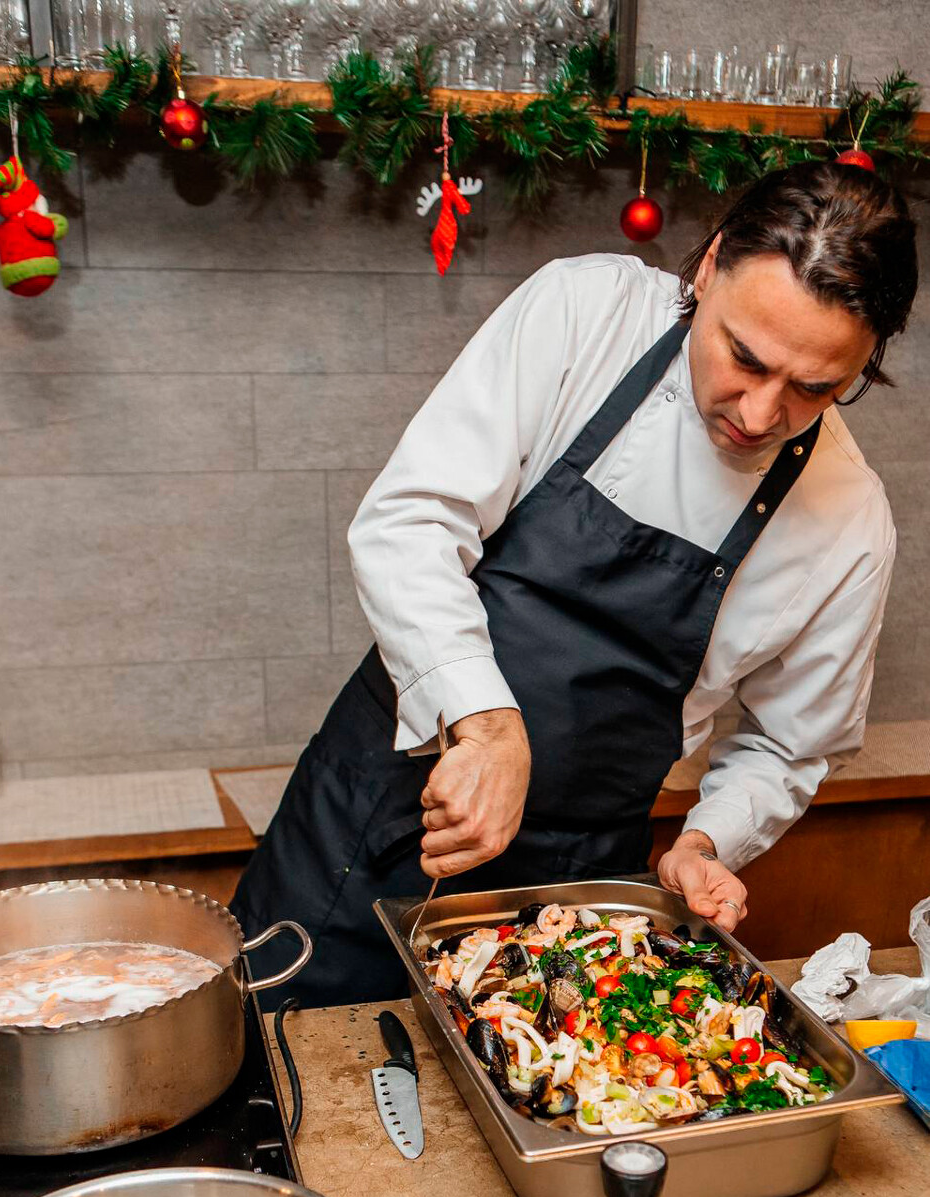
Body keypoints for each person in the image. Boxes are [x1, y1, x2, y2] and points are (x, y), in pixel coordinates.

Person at [231, 161, 918, 1008]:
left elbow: (790, 744)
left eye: (814, 388)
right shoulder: (581, 315)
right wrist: (485, 729)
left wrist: (704, 842)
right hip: (381, 810)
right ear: (705, 268)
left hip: (579, 875)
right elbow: (411, 521)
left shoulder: (848, 522)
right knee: (271, 1055)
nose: (757, 413)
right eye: (743, 357)